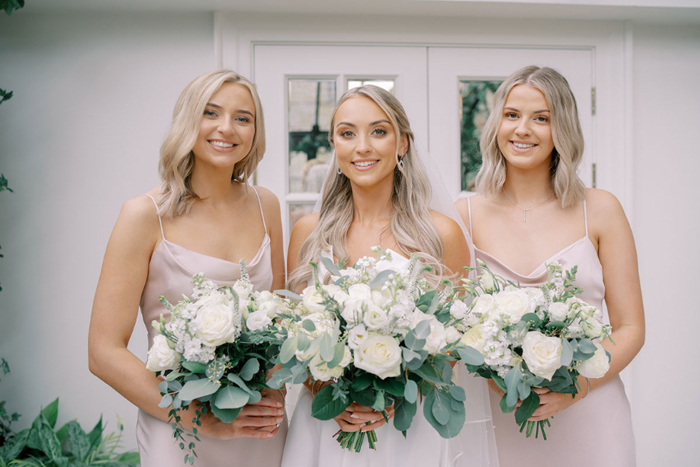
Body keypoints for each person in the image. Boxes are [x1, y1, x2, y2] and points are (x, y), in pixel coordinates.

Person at [282, 85, 495, 467]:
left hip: (409, 430)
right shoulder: (307, 232)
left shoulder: (441, 233)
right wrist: (328, 392)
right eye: (348, 134)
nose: (362, 146)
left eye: (378, 131)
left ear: (403, 144)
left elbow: (455, 344)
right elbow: (296, 339)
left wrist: (397, 397)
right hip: (327, 426)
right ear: (334, 144)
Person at [88, 70, 287, 466]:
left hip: (258, 429)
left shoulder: (267, 206)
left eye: (243, 118)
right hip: (182, 431)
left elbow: (280, 321)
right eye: (210, 113)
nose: (226, 128)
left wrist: (272, 397)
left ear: (254, 132)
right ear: (187, 121)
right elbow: (102, 352)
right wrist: (201, 420)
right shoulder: (144, 214)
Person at [456, 65, 644, 466]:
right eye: (512, 115)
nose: (523, 129)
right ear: (496, 125)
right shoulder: (462, 217)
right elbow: (452, 329)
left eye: (541, 118)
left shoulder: (601, 209)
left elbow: (631, 327)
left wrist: (575, 386)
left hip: (591, 416)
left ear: (563, 130)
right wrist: (499, 381)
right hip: (500, 419)